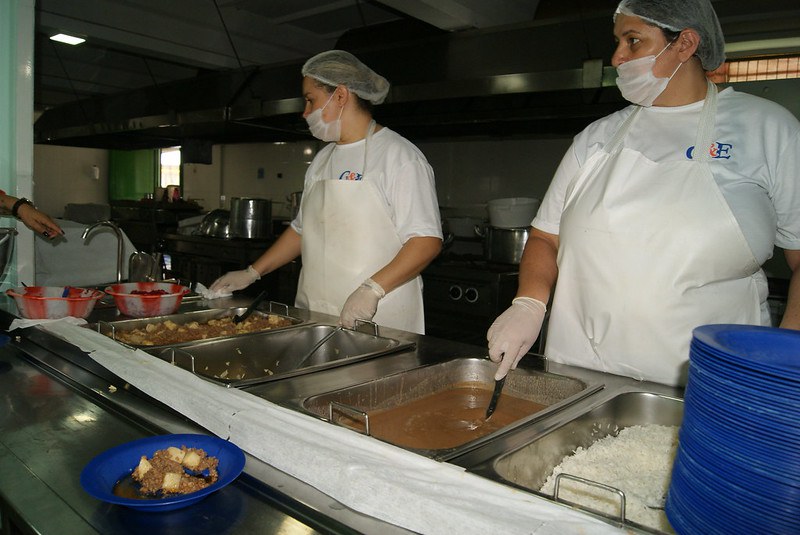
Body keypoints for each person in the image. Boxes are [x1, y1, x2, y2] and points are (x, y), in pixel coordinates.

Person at [487, 0, 800, 386]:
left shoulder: (767, 129)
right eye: (617, 41)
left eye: (632, 41)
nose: (617, 57)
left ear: (685, 44)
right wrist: (529, 304)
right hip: (579, 372)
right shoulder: (596, 138)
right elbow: (545, 236)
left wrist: (785, 353)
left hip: (702, 384)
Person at [210, 50, 442, 333]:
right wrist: (252, 272)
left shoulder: (399, 156)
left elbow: (425, 241)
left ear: (341, 95)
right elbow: (301, 230)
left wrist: (372, 290)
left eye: (311, 100)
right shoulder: (323, 159)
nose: (305, 112)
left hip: (379, 320)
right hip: (316, 313)